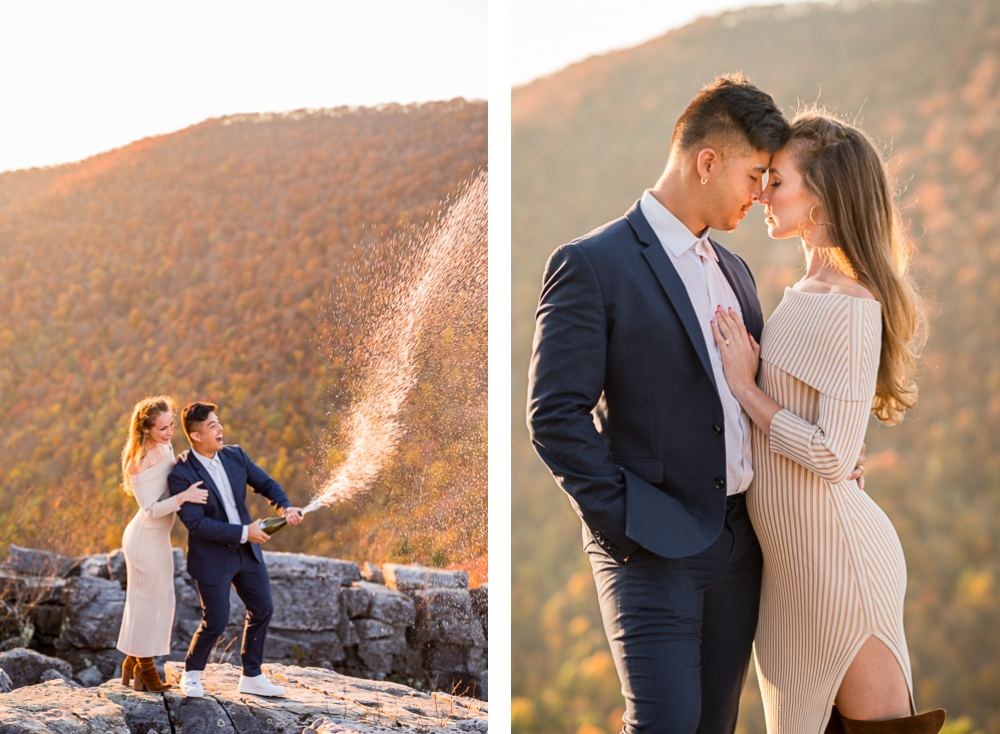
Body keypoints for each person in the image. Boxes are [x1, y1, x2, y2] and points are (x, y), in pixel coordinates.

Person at [527, 73, 865, 733]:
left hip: (743, 547)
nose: (762, 193)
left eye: (773, 179)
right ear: (706, 162)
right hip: (649, 547)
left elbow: (760, 398)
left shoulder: (736, 272)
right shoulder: (594, 263)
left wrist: (834, 445)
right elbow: (554, 416)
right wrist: (626, 521)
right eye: (754, 175)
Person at [711, 109, 943, 733]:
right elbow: (827, 437)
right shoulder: (804, 291)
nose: (763, 193)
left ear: (822, 196)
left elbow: (835, 456)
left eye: (777, 181)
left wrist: (746, 388)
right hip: (790, 569)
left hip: (840, 567)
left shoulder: (851, 305)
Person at [167, 401, 303, 698]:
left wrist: (286, 506)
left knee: (263, 608)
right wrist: (246, 532)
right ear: (196, 436)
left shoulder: (235, 455)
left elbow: (266, 484)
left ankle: (252, 676)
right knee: (215, 621)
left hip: (246, 553)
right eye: (212, 425)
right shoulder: (181, 474)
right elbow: (196, 525)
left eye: (218, 422)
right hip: (213, 556)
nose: (220, 428)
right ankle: (191, 673)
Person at [116, 395, 208, 691]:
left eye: (170, 426)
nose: (169, 433)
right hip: (143, 539)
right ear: (146, 430)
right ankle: (146, 668)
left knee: (161, 600)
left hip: (159, 540)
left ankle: (133, 660)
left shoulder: (165, 446)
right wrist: (184, 496)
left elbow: (167, 476)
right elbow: (151, 509)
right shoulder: (138, 462)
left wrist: (178, 462)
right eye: (162, 429)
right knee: (146, 603)